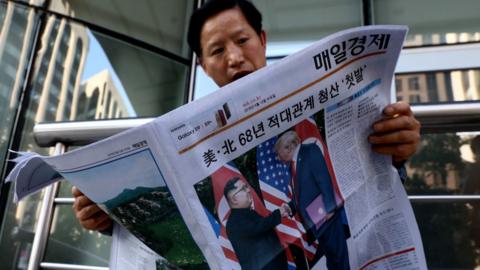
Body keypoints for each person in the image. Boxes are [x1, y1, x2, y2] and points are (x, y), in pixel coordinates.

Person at [72, 0, 421, 256]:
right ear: (204, 66)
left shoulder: (319, 108)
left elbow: (368, 190)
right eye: (217, 50)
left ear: (263, 40)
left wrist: (394, 150)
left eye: (242, 41)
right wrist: (108, 218)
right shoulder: (183, 141)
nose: (234, 57)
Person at [275, 130, 349, 269]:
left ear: (289, 147)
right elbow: (302, 195)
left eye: (278, 153)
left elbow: (324, 180)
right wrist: (289, 207)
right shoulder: (293, 165)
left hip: (328, 218)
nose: (278, 158)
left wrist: (329, 209)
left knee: (339, 260)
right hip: (318, 222)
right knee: (333, 262)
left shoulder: (309, 151)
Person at [223, 177, 290, 269]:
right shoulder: (234, 222)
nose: (248, 190)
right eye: (243, 188)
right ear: (234, 199)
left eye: (246, 186)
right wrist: (278, 214)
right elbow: (257, 227)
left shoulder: (247, 213)